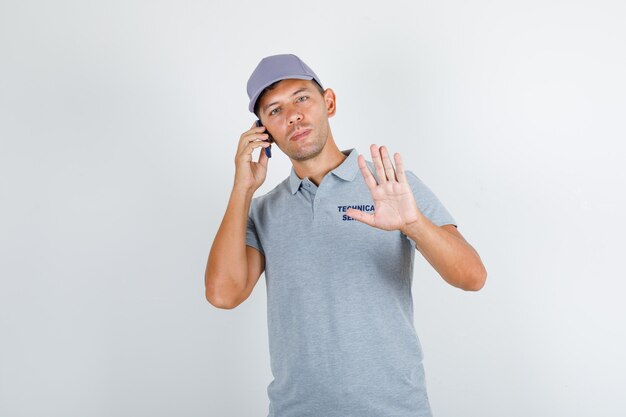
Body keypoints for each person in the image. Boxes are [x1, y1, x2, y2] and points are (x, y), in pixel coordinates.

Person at [205, 54, 487, 417]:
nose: (292, 114)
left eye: (302, 97)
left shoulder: (392, 186)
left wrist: (412, 223)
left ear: (330, 103)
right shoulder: (261, 211)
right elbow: (223, 294)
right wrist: (242, 188)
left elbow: (472, 277)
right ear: (264, 133)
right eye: (274, 111)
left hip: (394, 409)